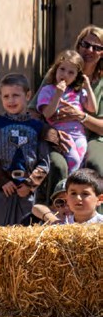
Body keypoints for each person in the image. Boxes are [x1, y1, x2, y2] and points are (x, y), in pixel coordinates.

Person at [0, 74, 52, 227]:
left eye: (16, 95)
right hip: (1, 190)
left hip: (26, 190)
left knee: (25, 231)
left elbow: (44, 162)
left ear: (28, 95)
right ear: (0, 97)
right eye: (6, 96)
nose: (11, 100)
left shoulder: (38, 128)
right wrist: (2, 182)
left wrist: (30, 184)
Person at [38, 26, 103, 196]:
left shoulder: (92, 85)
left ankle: (93, 216)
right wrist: (51, 133)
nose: (90, 50)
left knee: (95, 164)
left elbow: (95, 114)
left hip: (94, 136)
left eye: (97, 48)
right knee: (58, 164)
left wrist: (81, 116)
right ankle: (54, 209)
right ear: (78, 44)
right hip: (59, 133)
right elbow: (35, 112)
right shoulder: (54, 79)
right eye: (86, 44)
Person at [37, 50, 97, 174]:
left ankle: (73, 184)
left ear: (76, 76)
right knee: (74, 159)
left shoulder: (77, 92)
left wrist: (88, 87)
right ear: (56, 69)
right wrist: (58, 94)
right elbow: (47, 114)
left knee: (83, 159)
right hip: (63, 135)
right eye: (62, 69)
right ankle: (67, 184)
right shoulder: (47, 90)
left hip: (79, 135)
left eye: (71, 72)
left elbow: (92, 108)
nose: (65, 74)